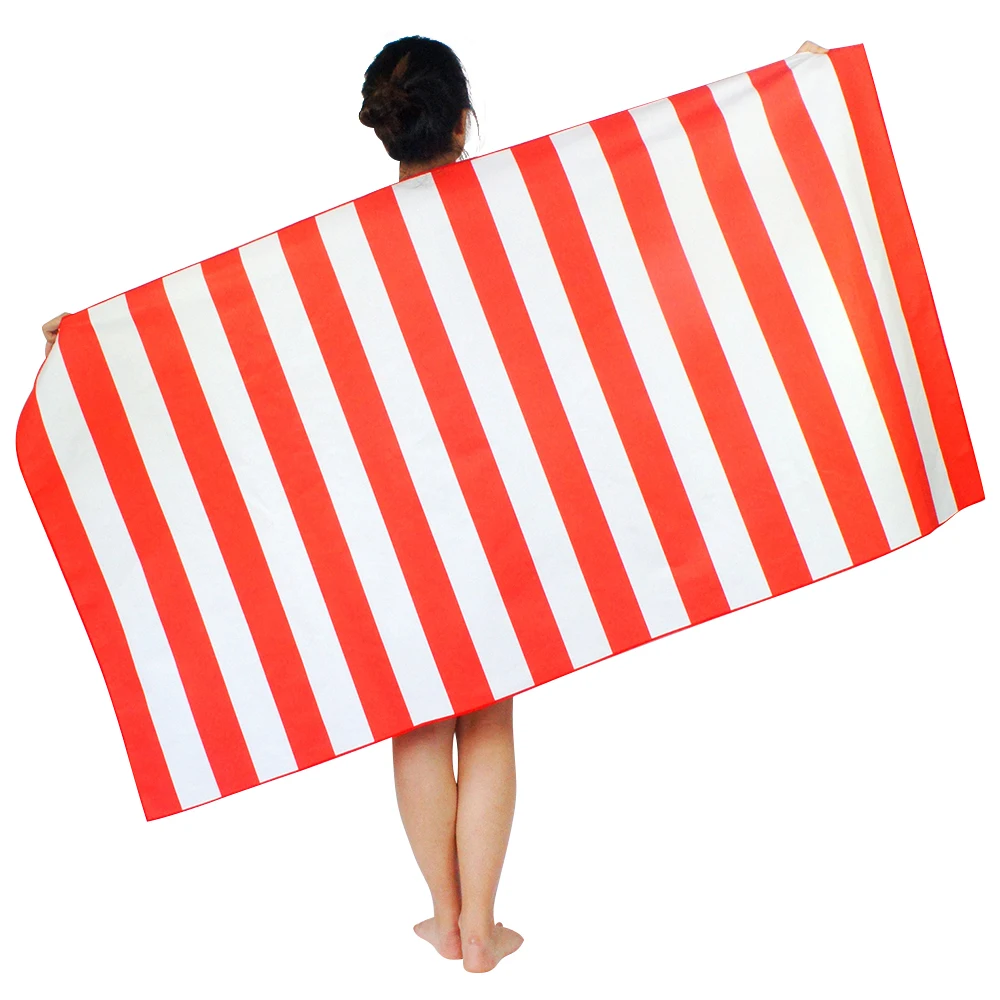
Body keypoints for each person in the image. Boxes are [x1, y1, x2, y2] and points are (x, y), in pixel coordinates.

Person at [38, 34, 829, 974]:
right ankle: (483, 928)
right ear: (462, 122)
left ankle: (446, 916)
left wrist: (89, 343)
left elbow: (217, 341)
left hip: (395, 519)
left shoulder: (332, 255)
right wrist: (790, 94)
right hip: (499, 505)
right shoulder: (518, 209)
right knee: (489, 707)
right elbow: (643, 229)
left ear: (390, 130)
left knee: (415, 708)